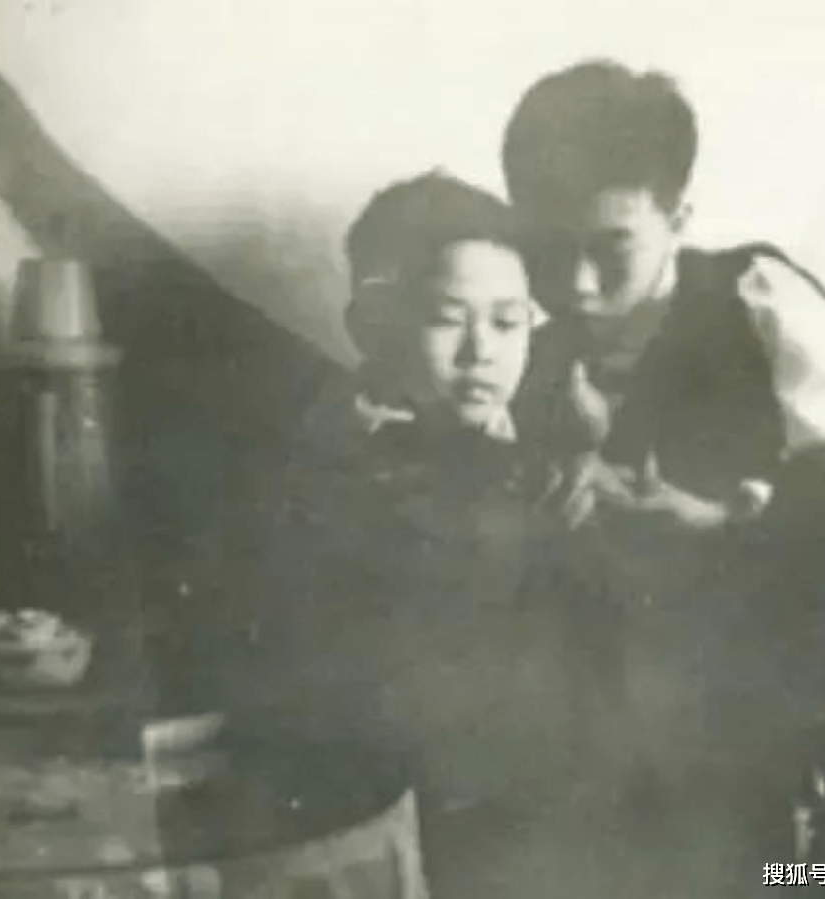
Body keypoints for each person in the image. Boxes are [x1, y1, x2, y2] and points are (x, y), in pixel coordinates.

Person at [501, 60, 825, 895]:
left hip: (790, 640)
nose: (577, 285)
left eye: (611, 248)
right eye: (548, 251)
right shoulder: (507, 346)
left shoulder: (755, 298)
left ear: (679, 219)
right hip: (650, 688)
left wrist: (728, 522)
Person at [240, 171, 631, 898]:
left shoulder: (539, 450)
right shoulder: (335, 472)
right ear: (373, 327)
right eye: (448, 319)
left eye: (508, 323)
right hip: (430, 807)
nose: (482, 352)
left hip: (561, 802)